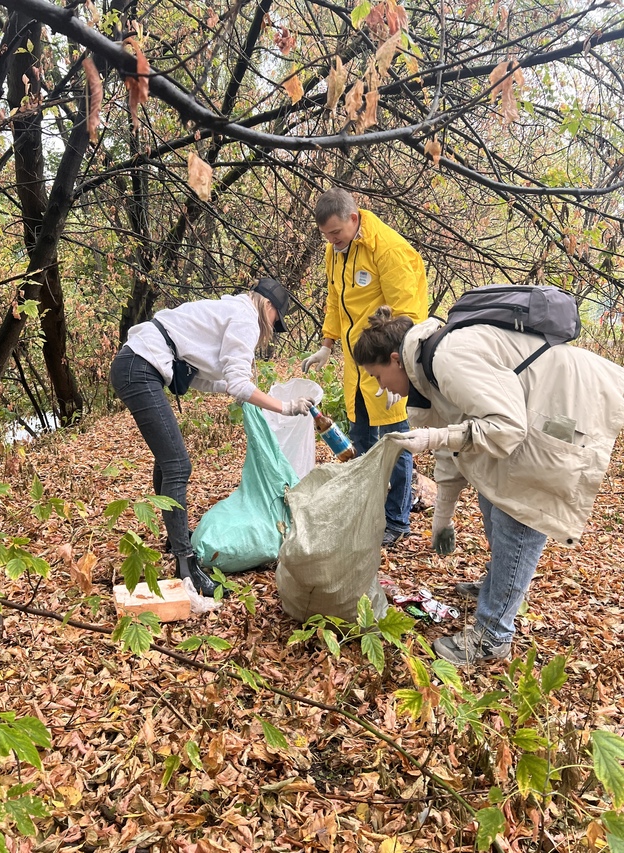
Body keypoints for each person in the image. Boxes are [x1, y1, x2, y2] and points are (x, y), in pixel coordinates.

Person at [354, 305, 624, 665]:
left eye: (376, 375)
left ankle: (492, 635)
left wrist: (434, 436)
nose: (378, 386)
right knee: (491, 489)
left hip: (566, 404)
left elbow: (506, 428)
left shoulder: (448, 358)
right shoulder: (428, 370)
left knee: (518, 509)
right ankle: (499, 586)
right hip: (535, 410)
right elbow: (456, 453)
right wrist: (442, 518)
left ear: (394, 359)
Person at [110, 278, 314, 597]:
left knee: (169, 464)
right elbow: (239, 382)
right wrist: (285, 406)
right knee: (178, 465)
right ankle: (186, 564)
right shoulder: (246, 318)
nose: (273, 327)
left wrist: (237, 391)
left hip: (135, 364)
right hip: (140, 367)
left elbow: (202, 380)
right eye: (277, 320)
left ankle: (175, 539)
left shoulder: (228, 311)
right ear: (269, 307)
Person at [302, 187, 428, 547]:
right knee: (359, 442)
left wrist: (400, 371)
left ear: (353, 219)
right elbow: (335, 300)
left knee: (394, 444)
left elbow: (410, 316)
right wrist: (328, 344)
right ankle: (365, 510)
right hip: (357, 369)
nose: (331, 241)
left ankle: (396, 521)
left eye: (336, 233)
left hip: (387, 366)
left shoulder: (387, 249)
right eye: (325, 235)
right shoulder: (335, 251)